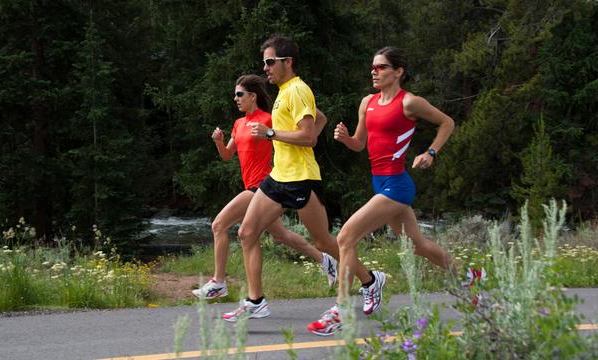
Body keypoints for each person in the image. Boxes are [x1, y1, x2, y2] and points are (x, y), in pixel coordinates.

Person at [307, 46, 477, 336]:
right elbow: (361, 144)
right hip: (379, 182)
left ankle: (340, 310)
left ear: (398, 71)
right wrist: (347, 139)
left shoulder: (409, 102)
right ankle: (468, 275)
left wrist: (431, 152)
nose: (374, 71)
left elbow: (447, 122)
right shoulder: (367, 102)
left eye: (381, 67)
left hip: (397, 185)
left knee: (346, 236)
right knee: (418, 245)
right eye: (373, 67)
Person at [222, 36, 379, 323]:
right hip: (277, 177)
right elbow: (319, 118)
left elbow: (307, 138)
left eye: (270, 62)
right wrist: (311, 131)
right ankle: (255, 301)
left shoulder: (297, 90)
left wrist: (270, 134)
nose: (265, 68)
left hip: (301, 179)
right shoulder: (285, 91)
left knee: (324, 242)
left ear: (287, 62)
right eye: (264, 63)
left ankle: (369, 281)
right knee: (247, 233)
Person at [192, 74, 338, 300]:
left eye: (240, 94)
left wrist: (306, 131)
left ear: (253, 96)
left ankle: (218, 282)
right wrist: (219, 142)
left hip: (263, 185)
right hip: (256, 187)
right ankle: (325, 260)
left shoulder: (269, 119)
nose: (235, 99)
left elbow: (313, 122)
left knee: (219, 225)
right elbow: (227, 155)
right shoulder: (238, 124)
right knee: (282, 235)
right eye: (235, 95)